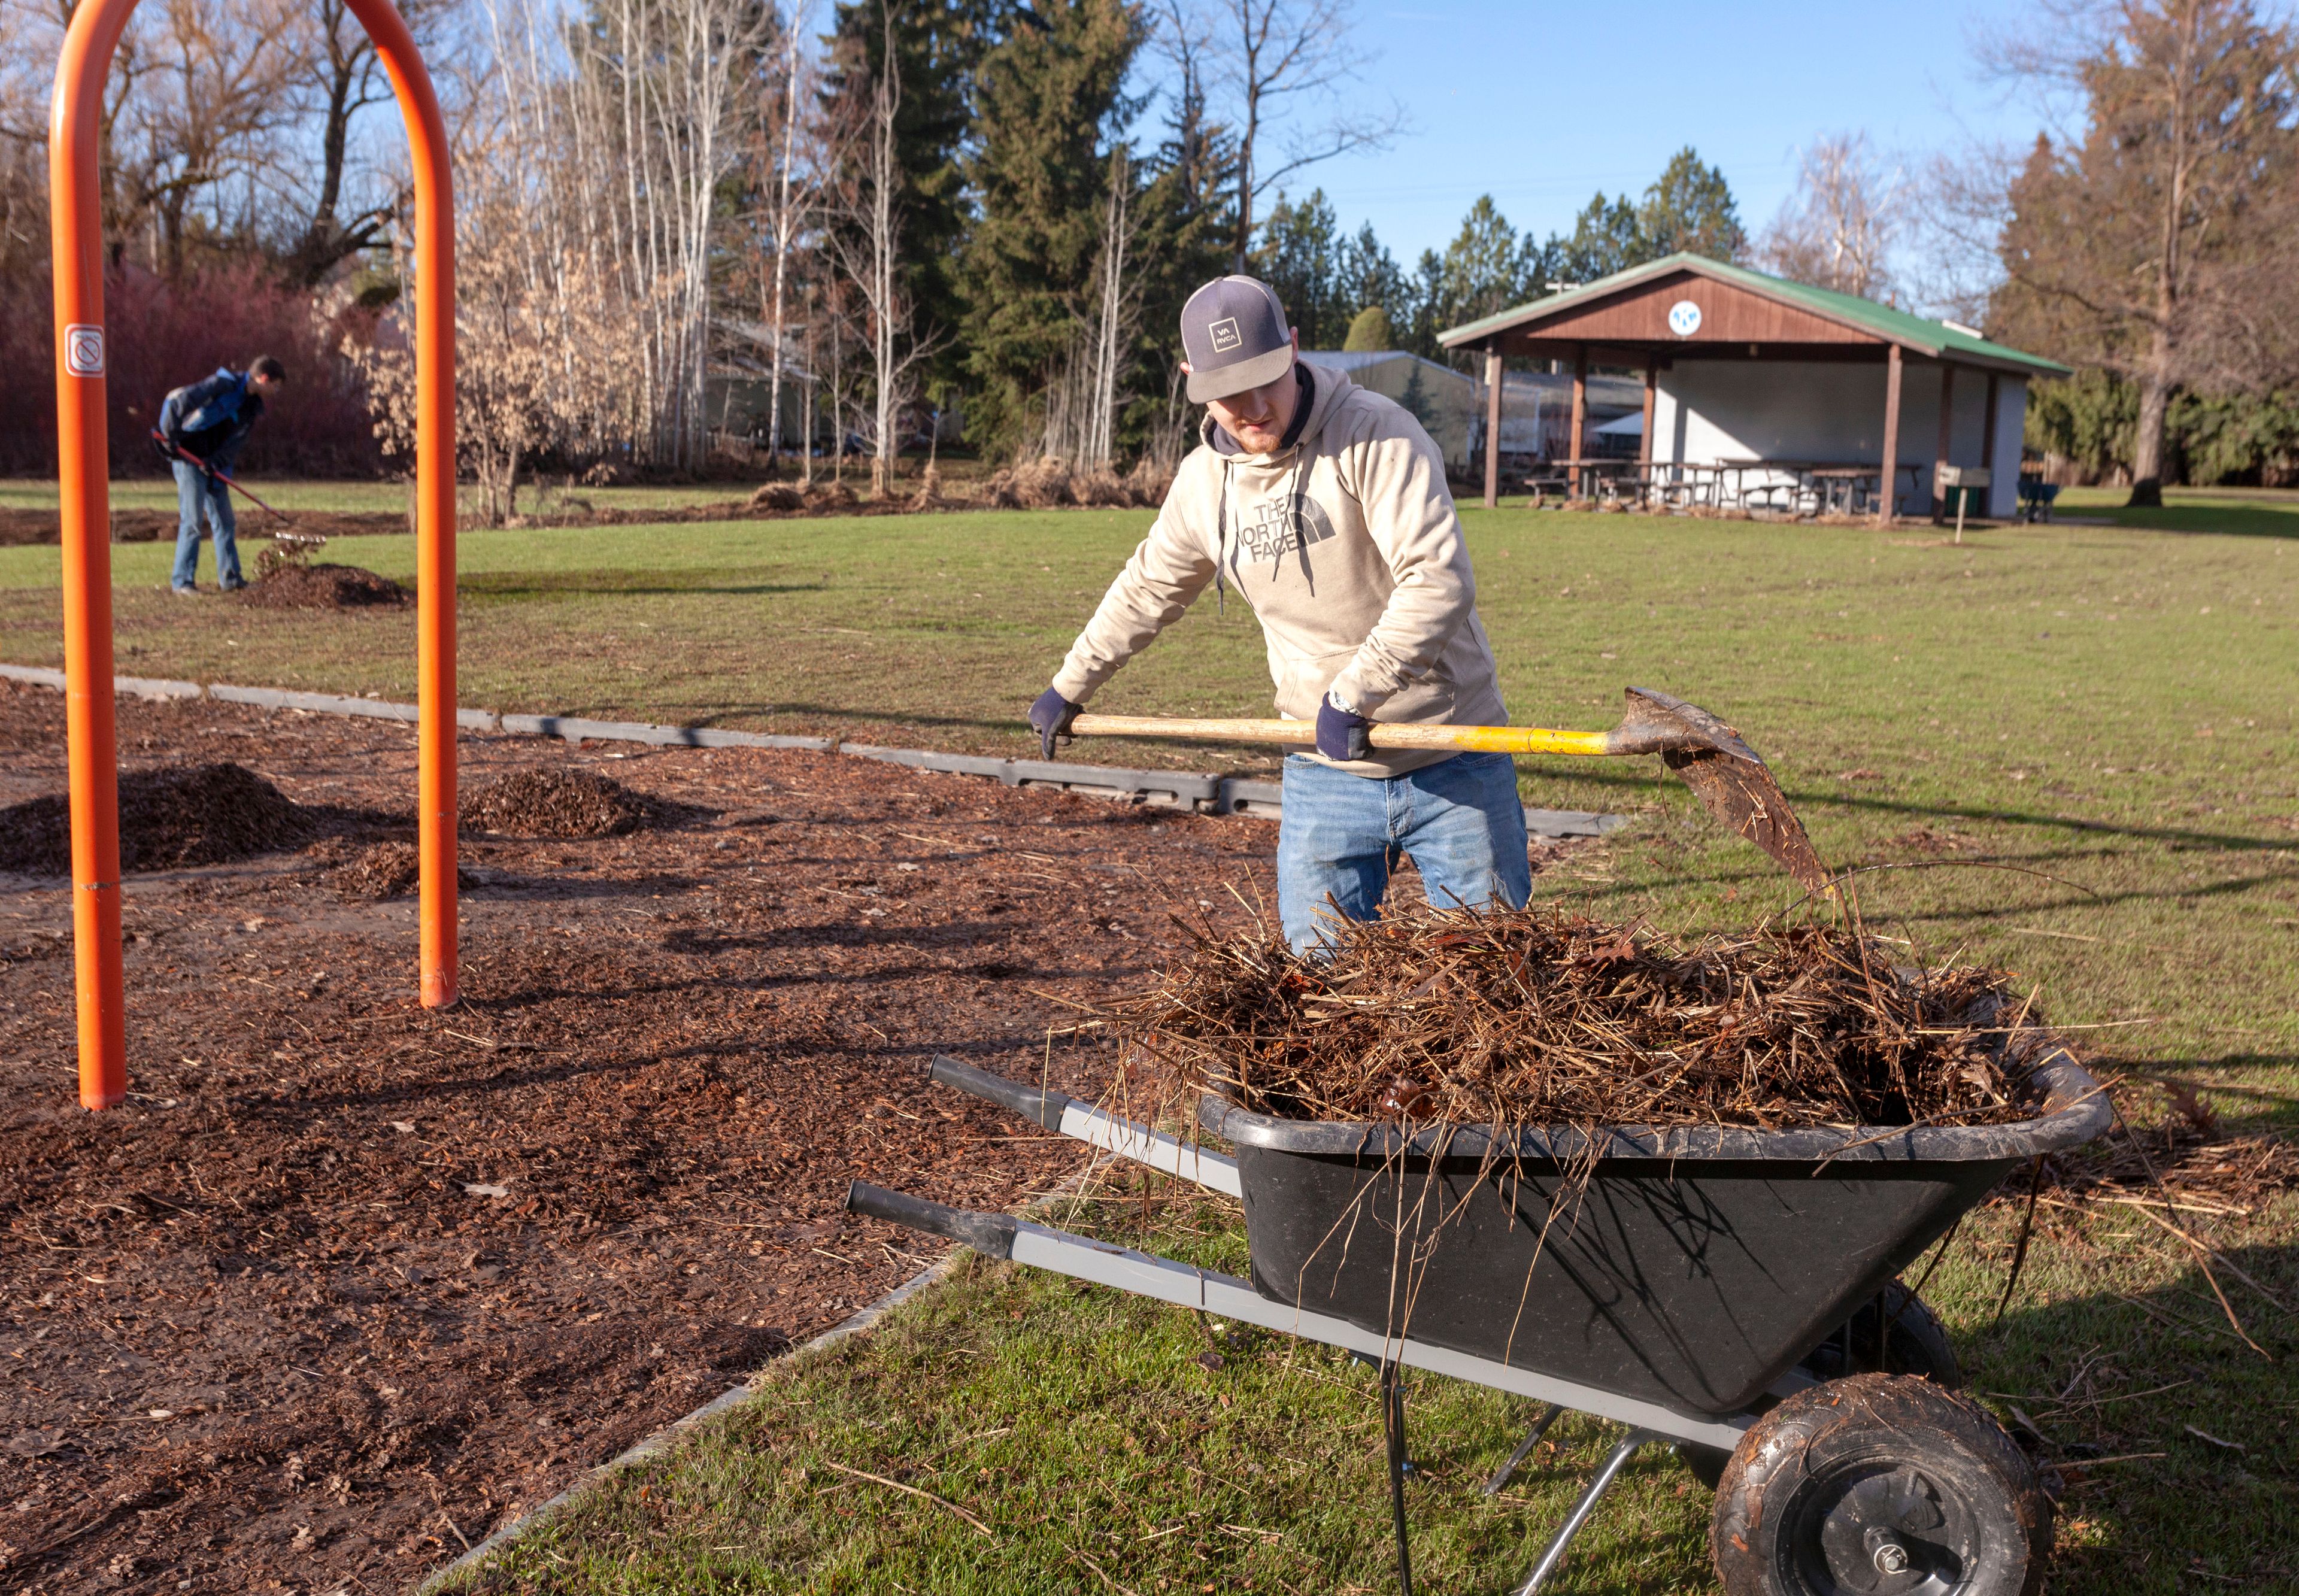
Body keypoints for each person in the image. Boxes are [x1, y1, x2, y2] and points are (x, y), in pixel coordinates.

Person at [1029, 276, 1530, 954]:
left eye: (1269, 377)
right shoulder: (1206, 484)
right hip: (1324, 770)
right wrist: (1070, 684)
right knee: (1319, 983)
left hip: (1453, 753)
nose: (1256, 405)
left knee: (1493, 978)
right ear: (1193, 380)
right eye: (1231, 391)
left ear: (1293, 346)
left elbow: (1438, 581)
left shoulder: (1377, 435)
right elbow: (1149, 588)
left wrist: (1355, 694)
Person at [156, 356, 286, 596]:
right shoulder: (222, 385)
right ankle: (182, 582)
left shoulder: (252, 407)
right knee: (193, 521)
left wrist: (216, 462)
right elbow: (178, 401)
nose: (275, 392)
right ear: (264, 378)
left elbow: (235, 443)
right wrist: (171, 437)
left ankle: (231, 579)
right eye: (275, 386)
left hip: (213, 466)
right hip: (189, 459)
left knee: (225, 522)